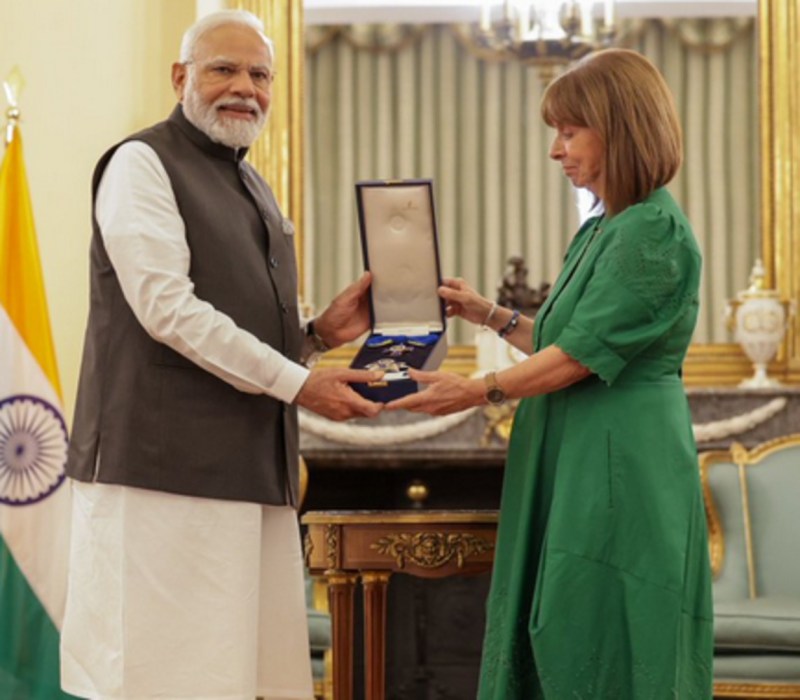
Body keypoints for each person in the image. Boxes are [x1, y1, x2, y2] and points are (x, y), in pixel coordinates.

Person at [61, 10, 382, 700]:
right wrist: (301, 382)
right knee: (163, 680)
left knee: (240, 681)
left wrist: (317, 334)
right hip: (159, 478)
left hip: (247, 479)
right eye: (224, 69)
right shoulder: (140, 164)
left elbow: (230, 323)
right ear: (181, 78)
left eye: (260, 75)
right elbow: (167, 310)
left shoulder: (253, 186)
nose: (245, 87)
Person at [388, 48, 714, 698]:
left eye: (569, 132)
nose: (555, 151)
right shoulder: (606, 229)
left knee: (598, 629)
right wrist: (488, 314)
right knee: (566, 623)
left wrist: (475, 390)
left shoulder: (652, 232)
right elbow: (572, 341)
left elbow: (575, 360)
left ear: (619, 128)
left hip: (619, 461)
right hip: (582, 449)